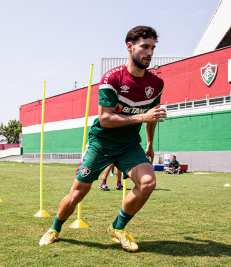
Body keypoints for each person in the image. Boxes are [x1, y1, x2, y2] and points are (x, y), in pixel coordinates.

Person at [39, 26, 166, 252]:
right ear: (129, 47)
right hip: (101, 143)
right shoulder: (112, 78)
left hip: (129, 146)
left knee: (148, 183)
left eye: (153, 48)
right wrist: (142, 117)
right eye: (145, 47)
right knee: (78, 193)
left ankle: (117, 228)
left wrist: (149, 143)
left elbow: (151, 116)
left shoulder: (156, 84)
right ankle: (55, 228)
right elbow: (105, 118)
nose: (149, 53)